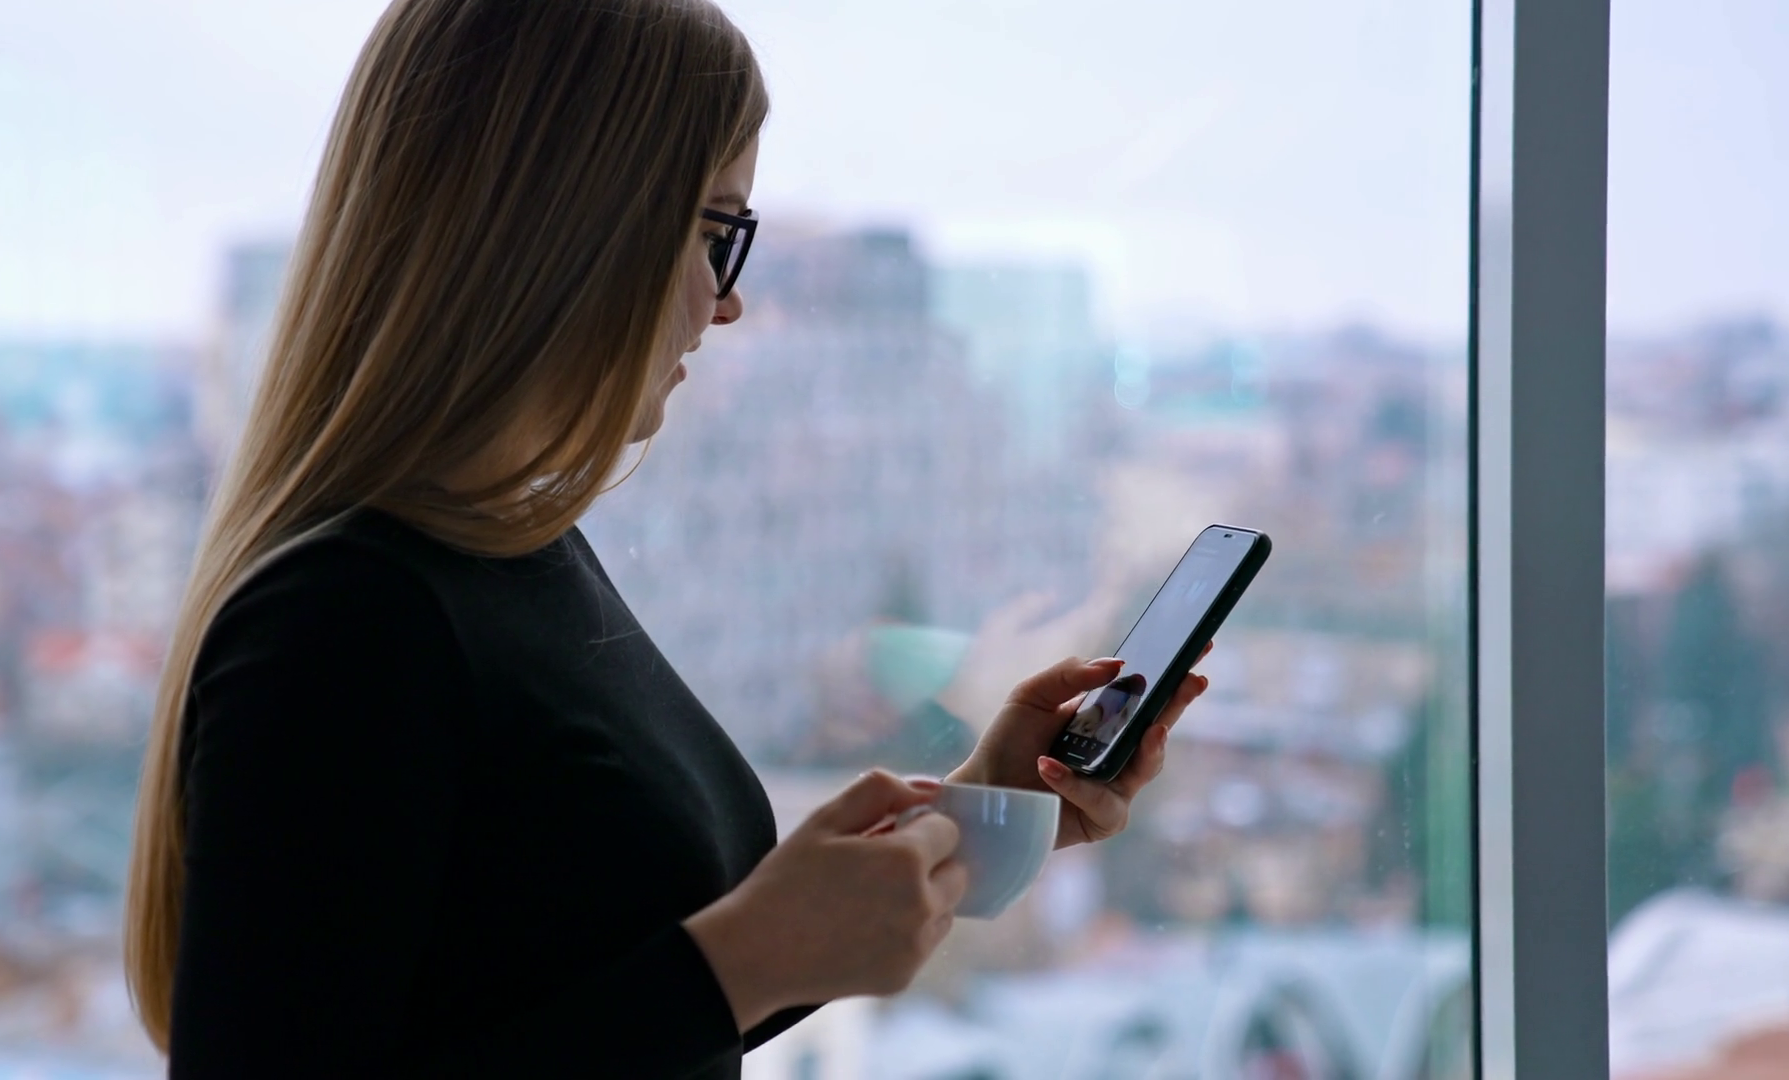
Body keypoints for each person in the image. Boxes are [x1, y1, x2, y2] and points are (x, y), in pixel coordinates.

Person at [122, 1, 1209, 1075]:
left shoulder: (512, 551)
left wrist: (980, 817)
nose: (727, 306)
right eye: (714, 233)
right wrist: (743, 963)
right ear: (570, 230)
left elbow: (594, 983)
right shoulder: (343, 619)